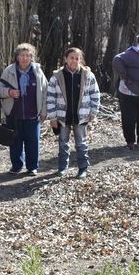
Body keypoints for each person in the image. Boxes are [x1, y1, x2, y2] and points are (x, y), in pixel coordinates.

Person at [46, 47, 100, 179]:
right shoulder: (56, 76)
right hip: (62, 116)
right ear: (65, 59)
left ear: (80, 60)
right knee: (63, 142)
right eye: (71, 58)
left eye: (77, 58)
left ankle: (82, 168)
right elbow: (50, 97)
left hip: (81, 115)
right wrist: (52, 117)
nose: (74, 61)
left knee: (81, 142)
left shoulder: (88, 75)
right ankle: (62, 167)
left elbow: (95, 94)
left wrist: (93, 111)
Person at [0, 43, 48, 175]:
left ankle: (32, 167)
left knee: (32, 142)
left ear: (32, 57)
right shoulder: (9, 71)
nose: (25, 58)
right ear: (17, 57)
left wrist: (44, 112)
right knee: (15, 142)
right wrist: (9, 92)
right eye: (22, 55)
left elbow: (45, 92)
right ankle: (16, 166)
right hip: (14, 114)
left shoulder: (37, 72)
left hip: (33, 114)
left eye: (28, 55)